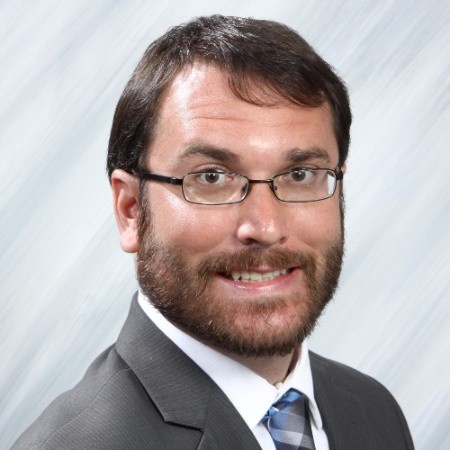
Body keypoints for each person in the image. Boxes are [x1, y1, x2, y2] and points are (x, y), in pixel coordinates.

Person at [12, 15, 414, 450]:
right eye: (210, 178)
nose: (264, 227)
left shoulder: (372, 412)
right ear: (131, 211)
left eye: (301, 173)